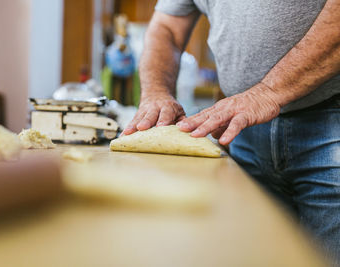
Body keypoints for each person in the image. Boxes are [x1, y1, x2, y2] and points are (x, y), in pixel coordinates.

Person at [123, 0, 340, 263]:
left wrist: (268, 92)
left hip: (331, 121)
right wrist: (156, 91)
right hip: (243, 135)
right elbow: (167, 26)